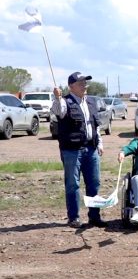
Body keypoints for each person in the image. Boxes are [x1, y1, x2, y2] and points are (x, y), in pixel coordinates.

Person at [51, 72, 107, 228]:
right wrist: (57, 97)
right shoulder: (64, 102)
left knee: (94, 183)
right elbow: (58, 111)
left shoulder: (90, 102)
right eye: (81, 83)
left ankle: (94, 217)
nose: (85, 86)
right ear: (71, 87)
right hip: (72, 150)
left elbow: (96, 126)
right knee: (73, 184)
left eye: (85, 83)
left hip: (91, 148)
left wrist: (100, 143)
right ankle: (74, 217)